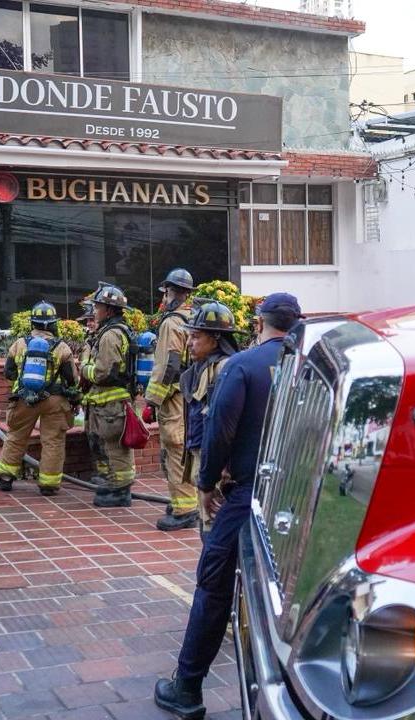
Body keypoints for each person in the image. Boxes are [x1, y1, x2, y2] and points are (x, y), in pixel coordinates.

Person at [154, 292, 302, 720]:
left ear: (260, 322)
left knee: (214, 583)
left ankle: (187, 689)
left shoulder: (244, 366)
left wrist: (204, 484)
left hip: (247, 494)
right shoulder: (309, 366)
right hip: (297, 498)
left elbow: (219, 430)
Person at [0, 301, 80, 496]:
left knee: (16, 436)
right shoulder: (62, 348)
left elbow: (8, 372)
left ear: (32, 323)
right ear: (52, 324)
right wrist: (74, 399)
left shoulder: (20, 344)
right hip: (54, 401)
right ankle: (48, 484)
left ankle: (6, 477)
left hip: (24, 399)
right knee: (53, 441)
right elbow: (71, 379)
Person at [178, 301, 239, 533]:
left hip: (217, 466)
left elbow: (225, 425)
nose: (189, 343)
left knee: (213, 527)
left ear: (215, 339)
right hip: (202, 459)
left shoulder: (225, 368)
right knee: (206, 525)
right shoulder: (201, 368)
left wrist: (220, 471)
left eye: (195, 337)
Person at [144, 268, 197, 530]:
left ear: (170, 292)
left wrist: (152, 400)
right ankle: (188, 499)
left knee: (175, 449)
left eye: (165, 293)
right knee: (187, 447)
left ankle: (184, 508)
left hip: (175, 397)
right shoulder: (192, 318)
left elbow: (168, 364)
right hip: (193, 396)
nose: (163, 299)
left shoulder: (171, 323)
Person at [80, 283, 137, 508]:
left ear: (109, 310)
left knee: (116, 448)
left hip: (112, 404)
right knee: (115, 447)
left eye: (98, 306)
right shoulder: (115, 331)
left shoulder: (110, 336)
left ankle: (120, 492)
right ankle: (118, 486)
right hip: (112, 403)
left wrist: (84, 369)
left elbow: (104, 372)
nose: (95, 310)